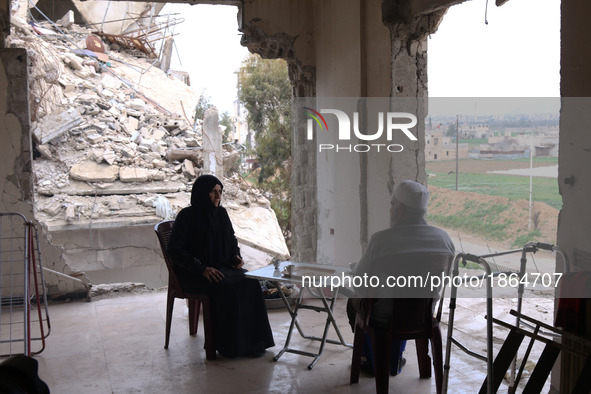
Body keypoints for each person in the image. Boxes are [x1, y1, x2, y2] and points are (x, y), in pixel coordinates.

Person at [347, 179, 455, 375]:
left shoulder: (381, 240)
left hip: (384, 318)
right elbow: (443, 280)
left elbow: (360, 284)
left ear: (400, 210)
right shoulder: (444, 239)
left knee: (354, 303)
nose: (389, 209)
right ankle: (394, 358)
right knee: (405, 304)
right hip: (422, 315)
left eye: (391, 204)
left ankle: (372, 360)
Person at [167, 174, 275, 358]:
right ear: (202, 193)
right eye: (213, 192)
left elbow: (231, 240)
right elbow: (175, 251)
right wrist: (201, 269)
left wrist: (236, 257)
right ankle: (229, 346)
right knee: (227, 287)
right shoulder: (187, 217)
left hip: (220, 268)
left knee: (251, 283)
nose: (218, 196)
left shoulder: (221, 213)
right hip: (194, 274)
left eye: (220, 192)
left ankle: (253, 343)